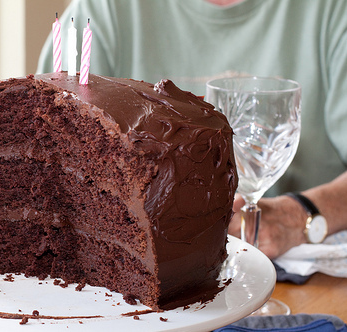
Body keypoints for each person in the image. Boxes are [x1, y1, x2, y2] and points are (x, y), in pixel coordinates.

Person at [37, 0, 347, 259]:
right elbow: (44, 155)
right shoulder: (105, 9)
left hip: (304, 278)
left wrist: (300, 214)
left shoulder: (332, 11)